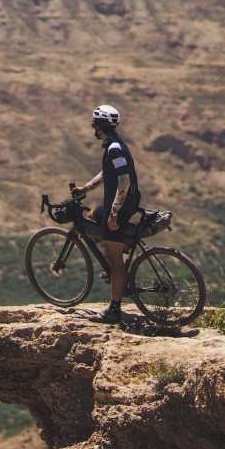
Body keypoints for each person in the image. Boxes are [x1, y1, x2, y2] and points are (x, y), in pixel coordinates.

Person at [71, 103, 140, 324]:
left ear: (97, 126)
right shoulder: (114, 145)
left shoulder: (114, 148)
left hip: (119, 208)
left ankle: (115, 310)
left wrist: (113, 213)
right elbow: (106, 172)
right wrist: (86, 188)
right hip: (117, 205)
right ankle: (111, 256)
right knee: (91, 215)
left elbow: (124, 181)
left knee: (116, 260)